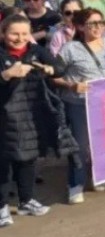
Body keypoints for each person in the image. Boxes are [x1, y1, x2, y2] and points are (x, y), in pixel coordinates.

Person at [0, 15, 79, 224]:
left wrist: (51, 69)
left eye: (24, 33)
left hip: (31, 114)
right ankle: (1, 207)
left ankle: (26, 200)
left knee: (28, 158)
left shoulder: (36, 51)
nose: (19, 38)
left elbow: (59, 67)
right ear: (3, 33)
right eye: (14, 33)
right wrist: (6, 75)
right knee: (3, 163)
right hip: (4, 117)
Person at [54, 8, 105, 203]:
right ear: (79, 26)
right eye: (92, 23)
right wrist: (72, 85)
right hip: (77, 103)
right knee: (79, 145)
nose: (98, 27)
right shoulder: (70, 49)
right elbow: (54, 76)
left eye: (100, 22)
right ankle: (75, 185)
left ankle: (104, 177)